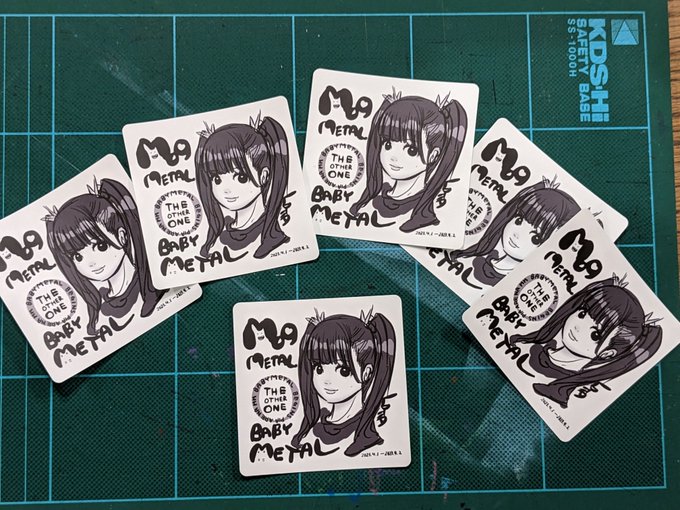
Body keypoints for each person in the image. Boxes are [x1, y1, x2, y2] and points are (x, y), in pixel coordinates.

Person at [509, 277, 662, 407]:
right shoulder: (537, 349)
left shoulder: (567, 382)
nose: (577, 326)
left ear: (608, 353)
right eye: (582, 313)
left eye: (595, 334)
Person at [45, 179, 164, 335]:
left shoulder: (152, 286)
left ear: (122, 236)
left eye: (101, 246)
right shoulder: (100, 303)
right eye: (77, 256)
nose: (90, 263)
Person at [349, 92, 468, 232]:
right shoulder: (375, 197)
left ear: (433, 155)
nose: (393, 157)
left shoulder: (423, 212)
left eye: (411, 150)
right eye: (388, 144)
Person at [292, 309, 396, 456]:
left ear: (366, 373)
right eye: (319, 368)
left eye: (343, 371)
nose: (326, 381)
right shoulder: (314, 423)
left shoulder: (365, 434)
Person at [195, 115, 290, 259]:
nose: (226, 189)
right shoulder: (220, 233)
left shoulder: (272, 237)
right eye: (217, 179)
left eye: (241, 178)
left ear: (264, 176)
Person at [451, 179, 580, 286]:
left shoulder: (511, 284)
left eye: (535, 238)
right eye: (519, 220)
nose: (517, 234)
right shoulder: (485, 258)